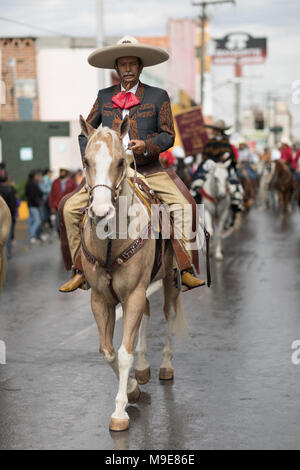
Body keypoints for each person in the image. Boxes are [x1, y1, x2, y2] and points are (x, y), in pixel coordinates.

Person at [59, 35, 205, 293]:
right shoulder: (103, 97)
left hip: (148, 169)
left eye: (132, 64)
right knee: (68, 208)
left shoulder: (159, 95)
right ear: (116, 69)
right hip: (108, 170)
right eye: (122, 65)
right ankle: (80, 269)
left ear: (140, 68)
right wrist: (91, 158)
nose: (127, 69)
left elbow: (168, 134)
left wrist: (146, 146)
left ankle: (184, 267)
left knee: (186, 205)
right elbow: (86, 132)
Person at [49, 169, 77, 236]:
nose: (61, 172)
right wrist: (52, 206)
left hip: (69, 207)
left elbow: (76, 194)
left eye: (63, 171)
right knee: (58, 226)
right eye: (60, 171)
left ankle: (67, 240)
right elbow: (51, 195)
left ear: (66, 172)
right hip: (58, 207)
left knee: (68, 225)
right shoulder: (55, 182)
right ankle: (61, 239)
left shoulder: (72, 182)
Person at [25, 171, 46, 243]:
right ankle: (32, 236)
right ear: (33, 176)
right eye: (37, 176)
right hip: (34, 205)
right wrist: (39, 203)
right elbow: (34, 196)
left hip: (32, 205)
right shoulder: (31, 185)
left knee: (32, 221)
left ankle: (35, 235)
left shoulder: (33, 184)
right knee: (37, 220)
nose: (38, 177)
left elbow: (40, 193)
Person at [0, 173, 17, 257]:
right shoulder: (9, 190)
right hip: (8, 215)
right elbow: (13, 204)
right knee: (8, 234)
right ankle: (7, 253)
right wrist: (13, 215)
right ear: (7, 181)